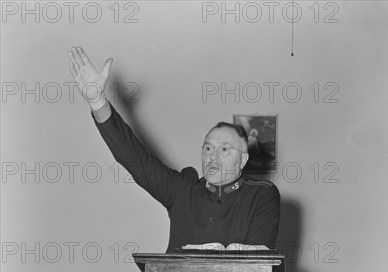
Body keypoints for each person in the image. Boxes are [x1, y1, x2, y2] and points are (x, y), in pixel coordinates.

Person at [68, 47, 280, 253]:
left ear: (242, 160)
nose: (212, 156)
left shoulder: (262, 194)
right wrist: (97, 101)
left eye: (224, 149)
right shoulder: (182, 190)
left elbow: (258, 265)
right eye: (207, 148)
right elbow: (134, 158)